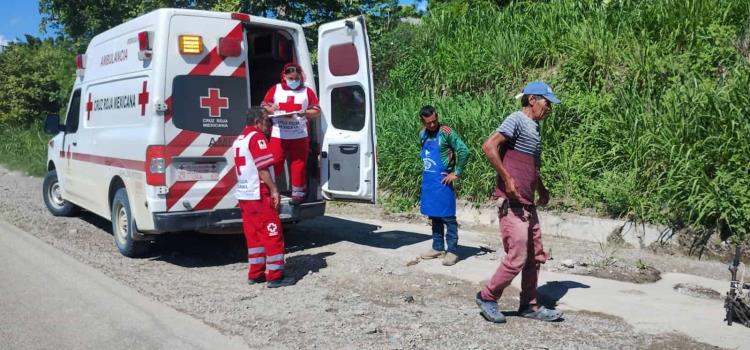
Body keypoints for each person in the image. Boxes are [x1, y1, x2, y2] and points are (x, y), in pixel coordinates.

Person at [475, 81, 562, 322]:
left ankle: (529, 306)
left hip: (528, 204)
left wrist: (542, 189)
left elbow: (533, 167)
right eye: (547, 103)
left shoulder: (535, 128)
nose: (549, 109)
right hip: (512, 203)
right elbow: (489, 146)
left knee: (535, 257)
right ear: (532, 99)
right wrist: (507, 179)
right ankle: (487, 296)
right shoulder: (516, 119)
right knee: (518, 257)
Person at [233, 108, 295, 288]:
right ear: (257, 122)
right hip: (259, 194)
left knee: (254, 236)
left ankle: (256, 273)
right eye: (267, 121)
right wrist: (274, 190)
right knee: (272, 232)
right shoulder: (257, 138)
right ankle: (275, 276)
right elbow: (262, 168)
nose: (269, 125)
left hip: (245, 195)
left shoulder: (239, 139)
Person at [261, 63, 321, 205]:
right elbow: (264, 105)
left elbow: (317, 111)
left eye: (296, 78)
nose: (294, 81)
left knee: (298, 165)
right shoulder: (276, 89)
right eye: (290, 78)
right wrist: (272, 108)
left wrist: (305, 112)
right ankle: (268, 190)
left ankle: (298, 195)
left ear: (301, 77)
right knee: (274, 163)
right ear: (284, 76)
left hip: (299, 134)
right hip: (278, 134)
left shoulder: (307, 92)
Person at [417, 105, 470, 266]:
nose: (432, 125)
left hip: (443, 182)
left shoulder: (446, 132)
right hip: (429, 182)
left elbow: (464, 151)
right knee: (434, 216)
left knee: (448, 218)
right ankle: (438, 247)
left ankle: (452, 250)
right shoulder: (422, 134)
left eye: (434, 121)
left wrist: (456, 172)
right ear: (423, 122)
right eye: (429, 123)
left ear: (437, 117)